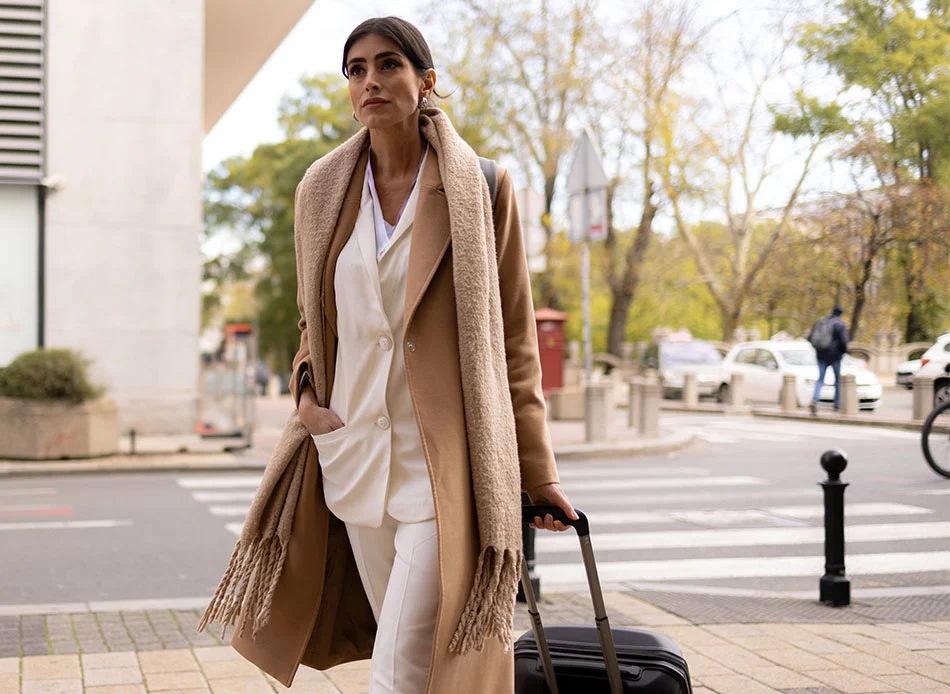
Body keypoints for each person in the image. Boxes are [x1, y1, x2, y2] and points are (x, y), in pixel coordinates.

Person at [219, 17, 577, 693]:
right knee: (415, 661)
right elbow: (312, 321)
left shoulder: (482, 188)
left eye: (388, 65)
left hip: (442, 468)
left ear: (426, 81)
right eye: (356, 69)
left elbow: (514, 344)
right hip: (351, 457)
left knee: (400, 668)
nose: (371, 81)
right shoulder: (320, 191)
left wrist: (538, 471)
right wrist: (306, 400)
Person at [807, 305, 850, 414]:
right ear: (841, 314)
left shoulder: (822, 322)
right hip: (835, 357)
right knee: (837, 381)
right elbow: (844, 342)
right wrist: (843, 352)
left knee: (820, 379)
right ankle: (836, 404)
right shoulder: (840, 325)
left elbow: (810, 338)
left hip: (821, 355)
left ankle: (815, 399)